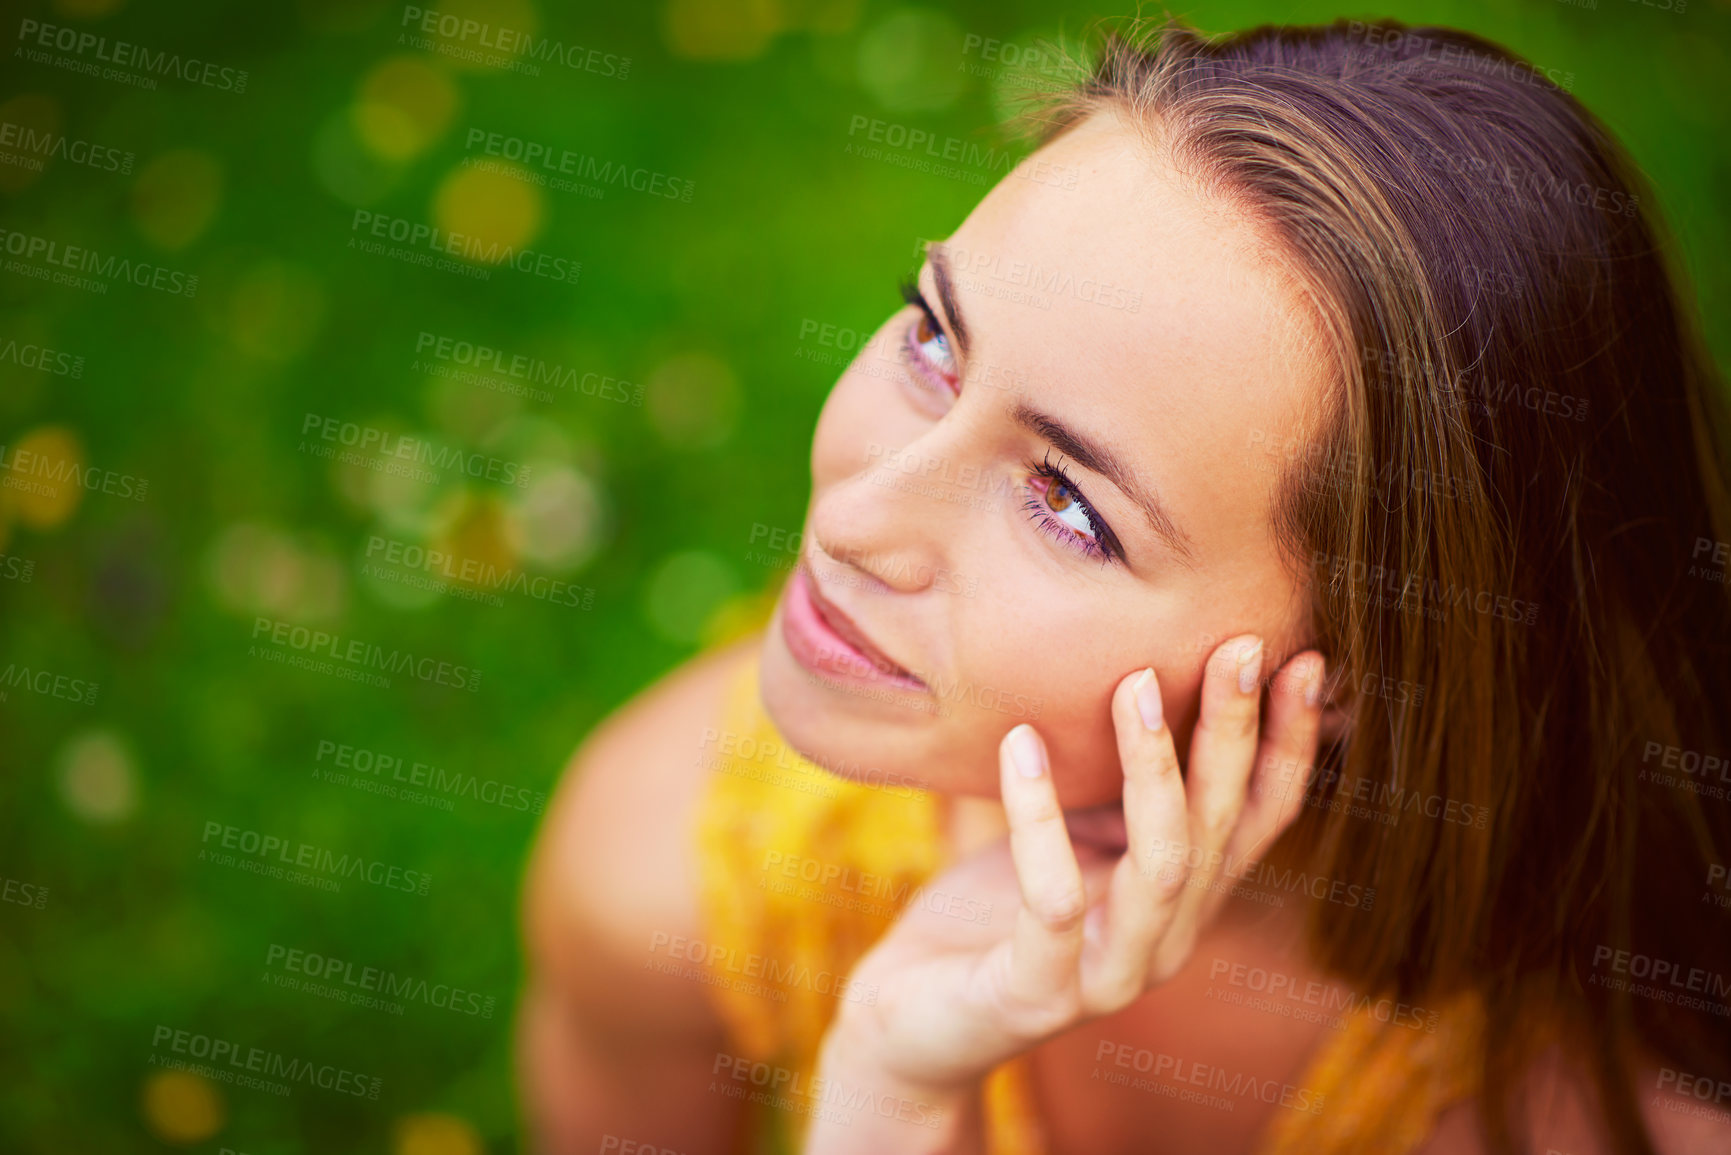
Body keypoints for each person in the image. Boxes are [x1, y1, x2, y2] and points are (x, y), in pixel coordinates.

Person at [518, 17, 1731, 1155]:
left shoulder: (1603, 1112)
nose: (849, 518)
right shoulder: (666, 878)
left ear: (1364, 665)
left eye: (1068, 507)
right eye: (935, 341)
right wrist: (887, 1096)